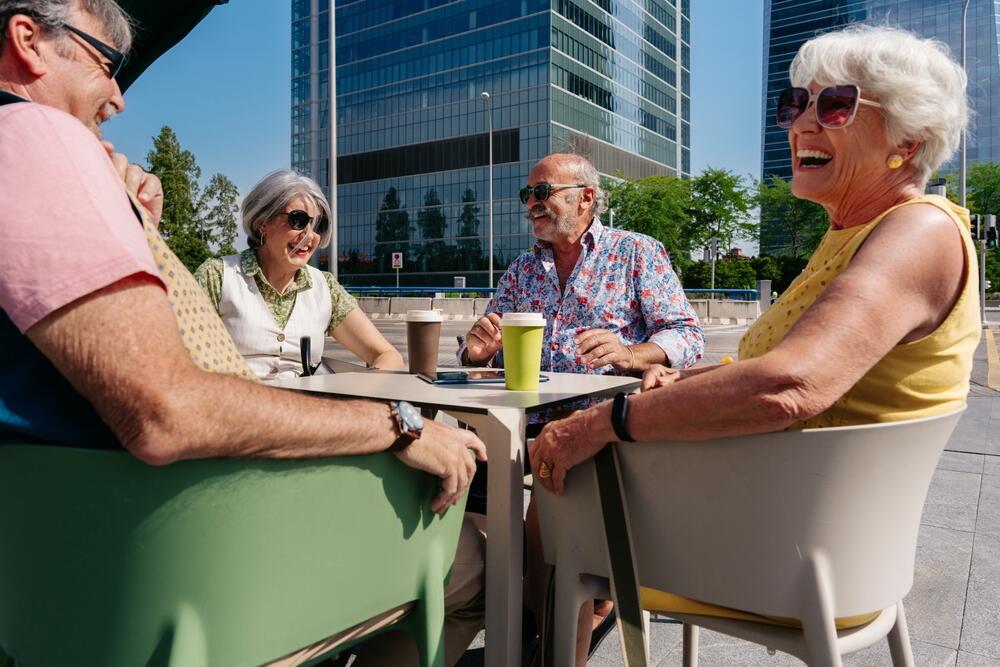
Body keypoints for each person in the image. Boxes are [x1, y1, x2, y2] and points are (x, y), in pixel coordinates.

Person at [0, 2, 484, 665]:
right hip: (185, 569)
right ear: (26, 41)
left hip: (49, 582)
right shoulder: (38, 136)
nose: (116, 96)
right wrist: (398, 423)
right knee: (470, 557)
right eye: (107, 64)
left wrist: (131, 222)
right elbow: (167, 407)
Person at [529, 24, 980, 666]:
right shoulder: (855, 233)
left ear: (907, 142)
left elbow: (792, 385)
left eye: (835, 106)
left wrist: (604, 421)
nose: (801, 125)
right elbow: (777, 373)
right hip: (807, 538)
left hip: (787, 550)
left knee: (559, 487)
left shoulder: (918, 232)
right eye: (795, 105)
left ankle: (537, 641)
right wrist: (686, 384)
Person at [460, 152, 704, 402]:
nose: (531, 203)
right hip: (521, 417)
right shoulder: (521, 269)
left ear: (585, 197)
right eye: (527, 194)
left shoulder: (636, 253)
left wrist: (629, 354)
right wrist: (475, 354)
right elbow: (480, 347)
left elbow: (687, 335)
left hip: (603, 424)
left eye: (542, 191)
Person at [195, 170, 403, 378]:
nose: (309, 236)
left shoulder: (325, 288)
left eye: (317, 225)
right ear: (263, 222)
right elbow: (181, 362)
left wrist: (360, 395)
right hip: (234, 406)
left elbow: (387, 355)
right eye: (298, 220)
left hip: (306, 407)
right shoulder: (217, 276)